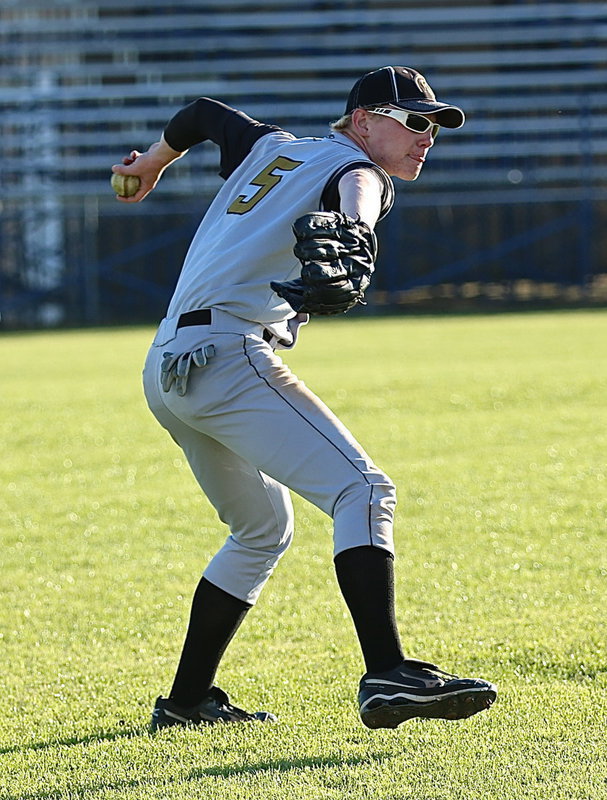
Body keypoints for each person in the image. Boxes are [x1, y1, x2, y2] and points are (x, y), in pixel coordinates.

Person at [112, 65, 497, 731]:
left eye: (434, 126)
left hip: (168, 363)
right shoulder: (359, 170)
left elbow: (202, 114)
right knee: (364, 491)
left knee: (261, 529)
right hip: (227, 353)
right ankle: (387, 672)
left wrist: (152, 162)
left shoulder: (270, 146)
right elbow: (358, 192)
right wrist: (356, 227)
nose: (426, 136)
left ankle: (185, 704)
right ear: (361, 121)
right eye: (412, 121)